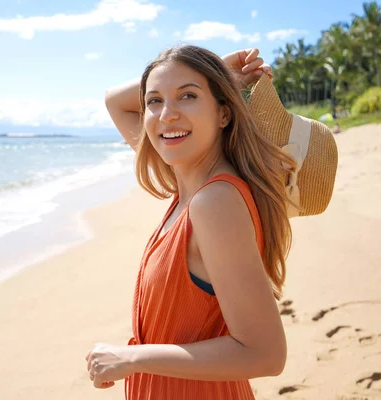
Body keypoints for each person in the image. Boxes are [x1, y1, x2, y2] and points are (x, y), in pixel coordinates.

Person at [85, 45, 293, 399]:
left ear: (224, 114)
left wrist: (131, 358)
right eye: (154, 101)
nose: (167, 115)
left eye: (188, 96)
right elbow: (113, 101)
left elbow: (266, 354)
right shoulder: (187, 183)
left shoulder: (215, 202)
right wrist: (214, 72)